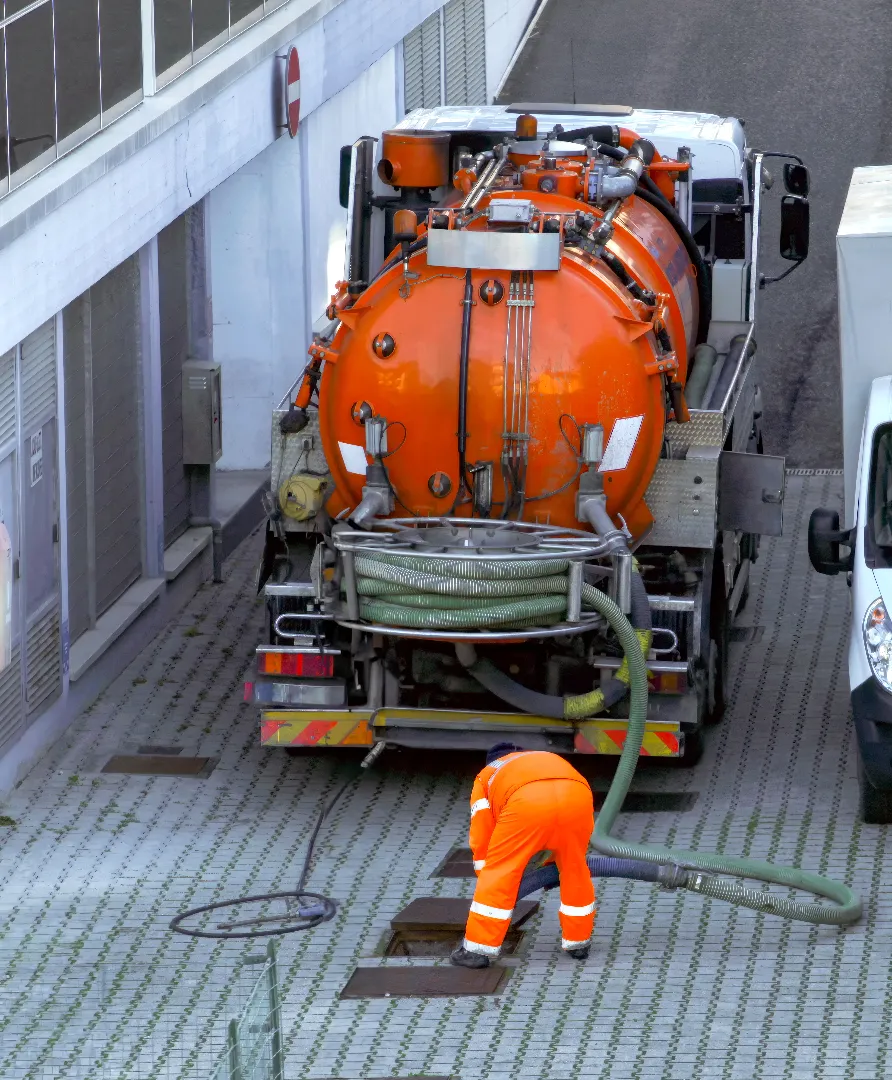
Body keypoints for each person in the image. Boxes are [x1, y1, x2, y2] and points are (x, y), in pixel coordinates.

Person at [451, 742, 596, 969]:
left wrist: (485, 872)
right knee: (575, 867)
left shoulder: (487, 775)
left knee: (500, 872)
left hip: (527, 802)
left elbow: (482, 835)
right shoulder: (542, 757)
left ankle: (477, 950)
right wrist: (550, 867)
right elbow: (556, 825)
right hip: (577, 796)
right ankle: (579, 942)